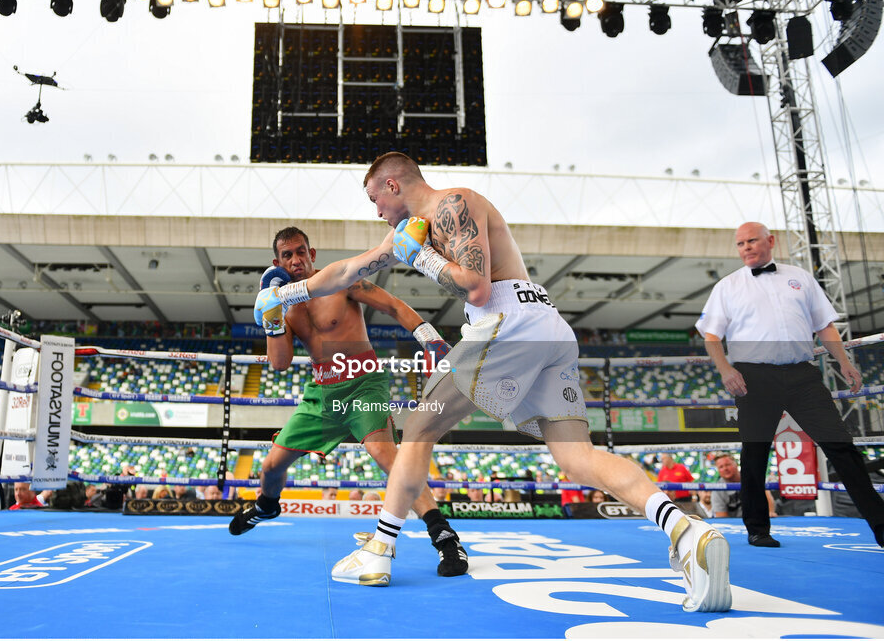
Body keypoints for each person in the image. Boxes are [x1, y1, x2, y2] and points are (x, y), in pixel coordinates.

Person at [253, 152, 730, 611]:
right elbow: (347, 270)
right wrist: (283, 294)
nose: (376, 210)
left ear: (393, 185)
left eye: (376, 199)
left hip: (507, 323)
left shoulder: (452, 203)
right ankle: (685, 531)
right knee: (578, 459)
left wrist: (422, 258)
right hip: (547, 330)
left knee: (419, 427)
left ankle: (378, 551)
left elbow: (475, 286)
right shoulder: (414, 228)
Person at [232, 226, 469, 578]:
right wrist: (272, 321)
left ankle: (446, 538)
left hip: (363, 384)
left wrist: (428, 338)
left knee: (386, 457)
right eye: (287, 255)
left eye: (301, 252)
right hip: (322, 394)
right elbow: (279, 363)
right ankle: (267, 506)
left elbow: (392, 305)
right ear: (277, 262)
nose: (296, 260)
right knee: (270, 467)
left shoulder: (341, 281)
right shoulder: (283, 304)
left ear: (312, 254)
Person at [697, 221, 884, 549]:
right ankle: (757, 529)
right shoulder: (728, 286)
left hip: (802, 375)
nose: (746, 248)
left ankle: (881, 525)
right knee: (755, 453)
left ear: (770, 241)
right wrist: (726, 370)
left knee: (841, 446)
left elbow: (824, 325)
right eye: (740, 244)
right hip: (753, 378)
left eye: (752, 241)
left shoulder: (800, 278)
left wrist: (843, 361)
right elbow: (711, 336)